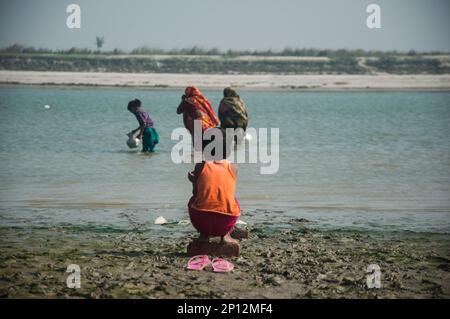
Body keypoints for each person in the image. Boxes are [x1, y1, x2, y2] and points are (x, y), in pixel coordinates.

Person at [187, 128, 240, 244]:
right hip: (225, 223)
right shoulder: (234, 167)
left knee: (193, 200)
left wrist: (193, 181)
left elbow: (196, 193)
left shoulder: (200, 166)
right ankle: (225, 236)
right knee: (232, 199)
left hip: (203, 222)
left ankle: (204, 236)